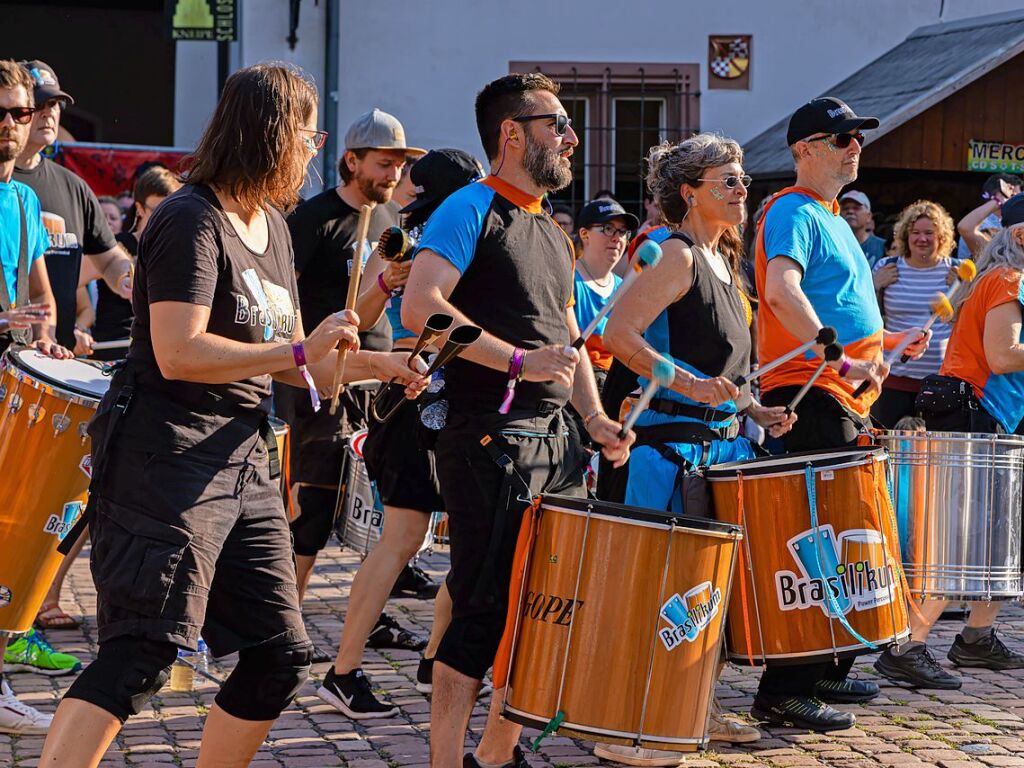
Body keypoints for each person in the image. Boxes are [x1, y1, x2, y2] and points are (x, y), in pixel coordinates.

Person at [37, 62, 426, 768]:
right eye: (308, 135)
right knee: (141, 655)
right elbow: (179, 351)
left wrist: (380, 364)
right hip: (166, 456)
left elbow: (291, 363)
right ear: (274, 134)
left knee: (280, 653)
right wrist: (298, 347)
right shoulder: (191, 219)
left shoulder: (272, 227)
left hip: (243, 458)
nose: (315, 148)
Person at [402, 72, 632, 768]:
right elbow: (422, 308)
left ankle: (496, 755)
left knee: (546, 609)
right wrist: (513, 362)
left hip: (558, 445)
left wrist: (594, 419)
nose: (570, 137)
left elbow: (570, 341)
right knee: (482, 607)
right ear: (512, 133)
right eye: (557, 123)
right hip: (489, 440)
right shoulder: (470, 208)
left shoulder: (553, 232)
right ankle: (447, 760)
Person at [601, 134, 786, 766]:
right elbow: (616, 333)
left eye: (741, 180)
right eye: (727, 180)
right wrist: (688, 384)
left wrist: (753, 406)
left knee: (701, 591)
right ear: (689, 192)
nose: (741, 189)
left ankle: (691, 708)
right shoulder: (677, 256)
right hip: (667, 455)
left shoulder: (722, 264)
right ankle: (626, 725)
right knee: (656, 588)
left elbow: (724, 372)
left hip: (719, 450)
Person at [755, 96, 929, 731]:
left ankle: (829, 665)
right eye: (841, 137)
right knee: (819, 541)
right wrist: (838, 359)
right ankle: (783, 689)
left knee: (849, 534)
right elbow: (781, 289)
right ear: (805, 150)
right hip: (809, 392)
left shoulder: (832, 218)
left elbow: (844, 310)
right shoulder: (792, 209)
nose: (856, 146)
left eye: (858, 137)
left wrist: (883, 347)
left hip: (841, 392)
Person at [316, 147, 486, 719]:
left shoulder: (468, 235)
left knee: (466, 543)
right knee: (402, 541)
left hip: (457, 408)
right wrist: (388, 282)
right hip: (410, 407)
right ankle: (342, 672)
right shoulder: (407, 240)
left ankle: (433, 661)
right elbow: (356, 320)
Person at [274, 108, 430, 639]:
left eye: (398, 166)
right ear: (352, 160)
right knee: (314, 501)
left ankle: (369, 613)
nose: (392, 175)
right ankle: (286, 620)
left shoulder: (391, 223)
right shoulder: (313, 219)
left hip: (377, 374)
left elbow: (368, 313)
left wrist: (388, 287)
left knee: (372, 500)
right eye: (383, 165)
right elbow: (285, 304)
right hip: (320, 377)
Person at [874, 196, 1024, 690]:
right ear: (1020, 236)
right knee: (956, 535)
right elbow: (1003, 357)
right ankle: (906, 646)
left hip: (988, 416)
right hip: (975, 414)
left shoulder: (1000, 278)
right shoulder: (1006, 279)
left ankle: (976, 638)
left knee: (1001, 531)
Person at [0, 57, 77, 737]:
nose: (11, 124)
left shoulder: (24, 203)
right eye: (0, 112)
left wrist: (44, 340)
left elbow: (40, 299)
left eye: (19, 112)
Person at [13, 60, 133, 351]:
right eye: (40, 104)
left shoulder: (74, 187)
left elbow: (108, 258)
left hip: (53, 356)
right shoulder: (6, 185)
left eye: (55, 104)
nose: (49, 113)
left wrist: (128, 277)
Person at [870, 200, 962, 428]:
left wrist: (964, 291)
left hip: (941, 382)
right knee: (888, 447)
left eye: (929, 233)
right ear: (904, 235)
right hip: (893, 380)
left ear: (942, 237)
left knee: (935, 455)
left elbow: (971, 321)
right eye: (915, 232)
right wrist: (874, 284)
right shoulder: (885, 266)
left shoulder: (958, 271)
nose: (922, 239)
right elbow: (862, 313)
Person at [572, 198, 636, 382]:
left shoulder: (623, 288)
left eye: (623, 231)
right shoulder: (568, 281)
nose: (617, 238)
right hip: (576, 389)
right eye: (608, 228)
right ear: (584, 234)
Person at [957, 173, 1022, 258]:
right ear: (1000, 196)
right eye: (1014, 196)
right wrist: (998, 202)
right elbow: (965, 228)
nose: (1019, 202)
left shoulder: (1011, 225)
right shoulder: (982, 226)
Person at [840, 190, 885, 268]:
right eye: (845, 208)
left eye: (856, 208)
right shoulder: (833, 245)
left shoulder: (883, 247)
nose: (850, 211)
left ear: (869, 216)